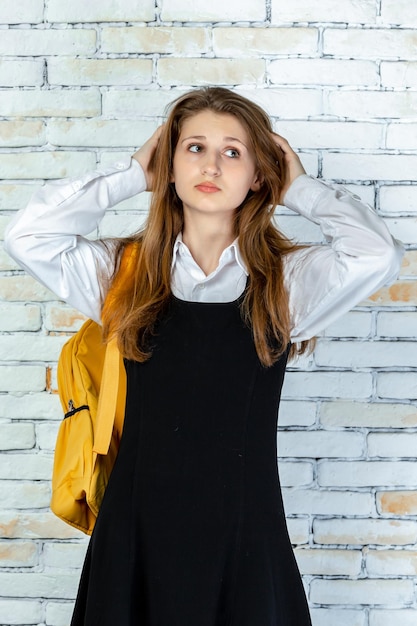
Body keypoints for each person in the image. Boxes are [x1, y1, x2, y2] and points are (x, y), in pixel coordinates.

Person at [4, 87, 403, 626]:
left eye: (233, 151)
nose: (211, 164)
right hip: (135, 535)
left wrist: (301, 189)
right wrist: (130, 176)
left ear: (260, 175)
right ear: (168, 164)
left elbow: (377, 253)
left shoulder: (285, 283)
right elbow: (28, 236)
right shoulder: (123, 273)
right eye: (193, 147)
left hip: (244, 534)